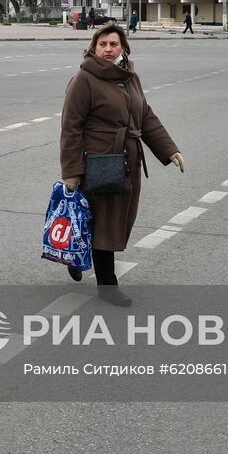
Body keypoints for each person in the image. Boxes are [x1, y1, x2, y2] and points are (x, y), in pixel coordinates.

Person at [60, 24, 184, 306]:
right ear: (93, 47)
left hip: (128, 161)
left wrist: (169, 150)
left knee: (110, 222)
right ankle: (107, 286)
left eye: (113, 44)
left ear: (123, 48)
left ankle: (76, 256)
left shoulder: (130, 77)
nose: (107, 49)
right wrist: (72, 171)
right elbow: (70, 127)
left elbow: (145, 115)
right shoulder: (84, 79)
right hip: (98, 162)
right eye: (102, 44)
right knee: (105, 223)